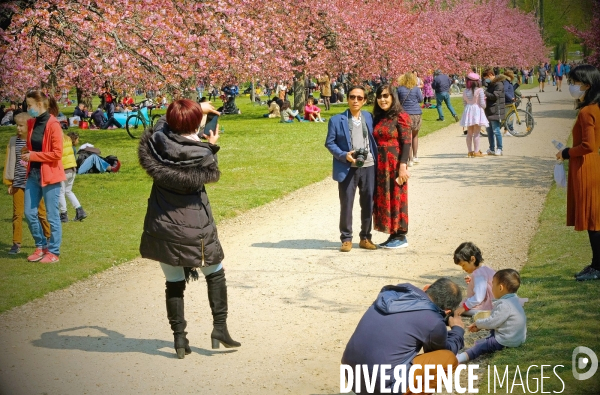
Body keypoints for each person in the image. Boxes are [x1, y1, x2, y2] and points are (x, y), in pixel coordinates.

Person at [138, 99, 240, 359]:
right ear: (197, 124)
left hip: (162, 224)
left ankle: (179, 338)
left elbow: (163, 123)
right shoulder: (202, 153)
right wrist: (212, 144)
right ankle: (219, 328)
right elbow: (211, 170)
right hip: (195, 226)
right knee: (215, 272)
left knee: (173, 282)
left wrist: (191, 110)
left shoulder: (157, 142)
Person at [341, 278, 464, 394]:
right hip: (380, 387)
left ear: (426, 288)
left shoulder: (393, 293)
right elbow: (441, 351)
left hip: (351, 376)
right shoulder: (433, 320)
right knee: (448, 359)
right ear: (447, 312)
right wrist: (457, 330)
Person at [558, 65, 600, 281]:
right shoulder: (594, 108)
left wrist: (566, 152)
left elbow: (588, 145)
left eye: (575, 82)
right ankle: (595, 264)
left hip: (585, 165)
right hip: (591, 164)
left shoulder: (587, 111)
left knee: (593, 220)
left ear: (587, 85)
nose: (572, 86)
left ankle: (598, 267)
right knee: (594, 218)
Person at [325, 85, 378, 252]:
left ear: (364, 100)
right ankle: (346, 238)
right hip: (347, 167)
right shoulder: (336, 120)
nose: (355, 100)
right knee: (346, 204)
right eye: (352, 97)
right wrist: (343, 155)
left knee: (368, 203)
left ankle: (365, 237)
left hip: (368, 166)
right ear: (347, 99)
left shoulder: (369, 117)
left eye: (359, 98)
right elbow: (330, 143)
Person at [21, 90, 65, 263]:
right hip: (33, 174)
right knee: (29, 213)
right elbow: (33, 146)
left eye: (29, 105)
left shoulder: (53, 124)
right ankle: (41, 246)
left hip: (50, 176)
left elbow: (56, 154)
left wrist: (33, 156)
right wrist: (27, 153)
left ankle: (54, 252)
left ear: (39, 105)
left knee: (52, 216)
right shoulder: (32, 123)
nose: (27, 107)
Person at [3, 112, 51, 255]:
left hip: (34, 182)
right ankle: (16, 243)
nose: (18, 128)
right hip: (18, 182)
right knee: (17, 214)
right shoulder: (13, 141)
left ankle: (48, 237)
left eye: (21, 125)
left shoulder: (34, 141)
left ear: (29, 126)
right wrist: (9, 182)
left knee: (40, 212)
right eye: (17, 125)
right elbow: (9, 162)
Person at [456, 269, 527, 363]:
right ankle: (488, 339)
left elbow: (492, 322)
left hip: (507, 340)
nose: (491, 287)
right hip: (517, 337)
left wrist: (478, 323)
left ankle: (460, 358)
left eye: (493, 284)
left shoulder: (504, 305)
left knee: (480, 347)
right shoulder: (514, 300)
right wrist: (480, 326)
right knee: (490, 334)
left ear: (500, 288)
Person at [372, 84, 411, 249]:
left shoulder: (400, 116)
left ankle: (401, 235)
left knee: (397, 196)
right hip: (380, 164)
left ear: (393, 97)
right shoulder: (380, 116)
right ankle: (392, 233)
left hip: (394, 162)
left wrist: (403, 165)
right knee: (384, 197)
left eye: (386, 96)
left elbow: (407, 142)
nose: (382, 100)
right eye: (379, 97)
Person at [452, 242, 495, 316]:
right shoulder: (484, 269)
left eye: (463, 265)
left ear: (472, 259)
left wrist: (464, 307)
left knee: (460, 309)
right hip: (492, 300)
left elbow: (479, 297)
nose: (463, 268)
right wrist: (473, 281)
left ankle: (487, 313)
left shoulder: (479, 275)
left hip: (488, 304)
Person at [59, 132, 86, 222]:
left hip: (64, 170)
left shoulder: (59, 142)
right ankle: (80, 210)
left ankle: (63, 214)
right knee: (68, 191)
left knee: (61, 192)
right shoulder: (70, 145)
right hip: (72, 170)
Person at [397, 72, 423, 166]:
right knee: (415, 135)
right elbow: (421, 99)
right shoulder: (416, 89)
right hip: (416, 113)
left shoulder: (400, 89)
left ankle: (410, 159)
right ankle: (416, 156)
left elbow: (397, 101)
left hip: (405, 114)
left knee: (408, 137)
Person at [460, 72, 489, 157]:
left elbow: (464, 103)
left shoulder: (465, 91)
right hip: (477, 111)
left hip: (468, 111)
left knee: (469, 132)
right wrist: (484, 101)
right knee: (476, 133)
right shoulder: (480, 91)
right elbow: (483, 105)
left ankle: (470, 151)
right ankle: (476, 151)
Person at [482, 68, 506, 156]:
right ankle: (491, 148)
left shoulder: (499, 84)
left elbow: (495, 96)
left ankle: (499, 148)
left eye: (487, 77)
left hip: (496, 109)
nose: (486, 79)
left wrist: (485, 92)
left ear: (491, 75)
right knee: (489, 130)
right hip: (489, 110)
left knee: (496, 130)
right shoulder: (491, 84)